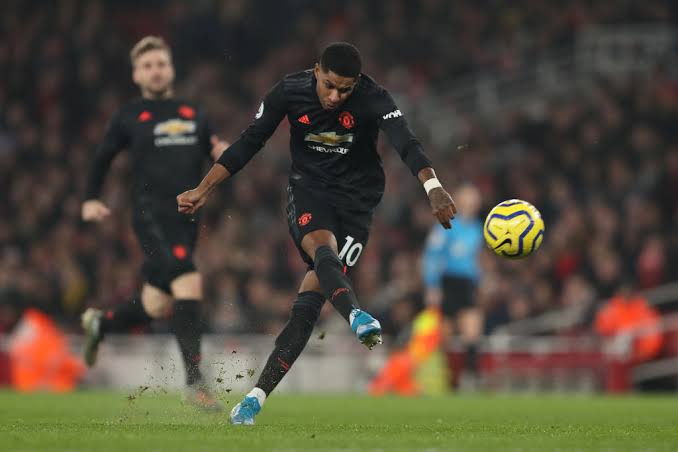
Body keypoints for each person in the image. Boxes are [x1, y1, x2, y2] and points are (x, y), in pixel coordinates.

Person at [177, 42, 456, 425]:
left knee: (308, 305)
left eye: (345, 89)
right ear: (316, 72)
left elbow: (406, 142)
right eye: (329, 85)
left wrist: (433, 186)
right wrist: (203, 189)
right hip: (309, 191)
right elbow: (249, 142)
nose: (336, 96)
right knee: (323, 247)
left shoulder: (374, 97)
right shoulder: (289, 91)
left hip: (358, 205)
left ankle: (254, 399)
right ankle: (355, 314)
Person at [80, 36, 227, 410]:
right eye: (147, 65)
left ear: (171, 69)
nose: (155, 71)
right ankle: (195, 383)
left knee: (157, 304)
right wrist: (91, 198)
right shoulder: (129, 116)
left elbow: (214, 148)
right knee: (188, 279)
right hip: (150, 214)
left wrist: (224, 152)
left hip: (187, 219)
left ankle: (101, 324)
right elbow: (102, 158)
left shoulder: (193, 113)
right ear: (136, 75)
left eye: (161, 63)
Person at [422, 183, 484, 389]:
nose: (471, 203)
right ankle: (448, 379)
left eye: (474, 199)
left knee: (472, 330)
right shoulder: (446, 224)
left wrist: (482, 279)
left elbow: (477, 259)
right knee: (445, 335)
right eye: (467, 198)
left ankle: (471, 375)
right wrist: (432, 286)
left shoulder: (477, 228)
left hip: (467, 283)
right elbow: (431, 256)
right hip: (448, 282)